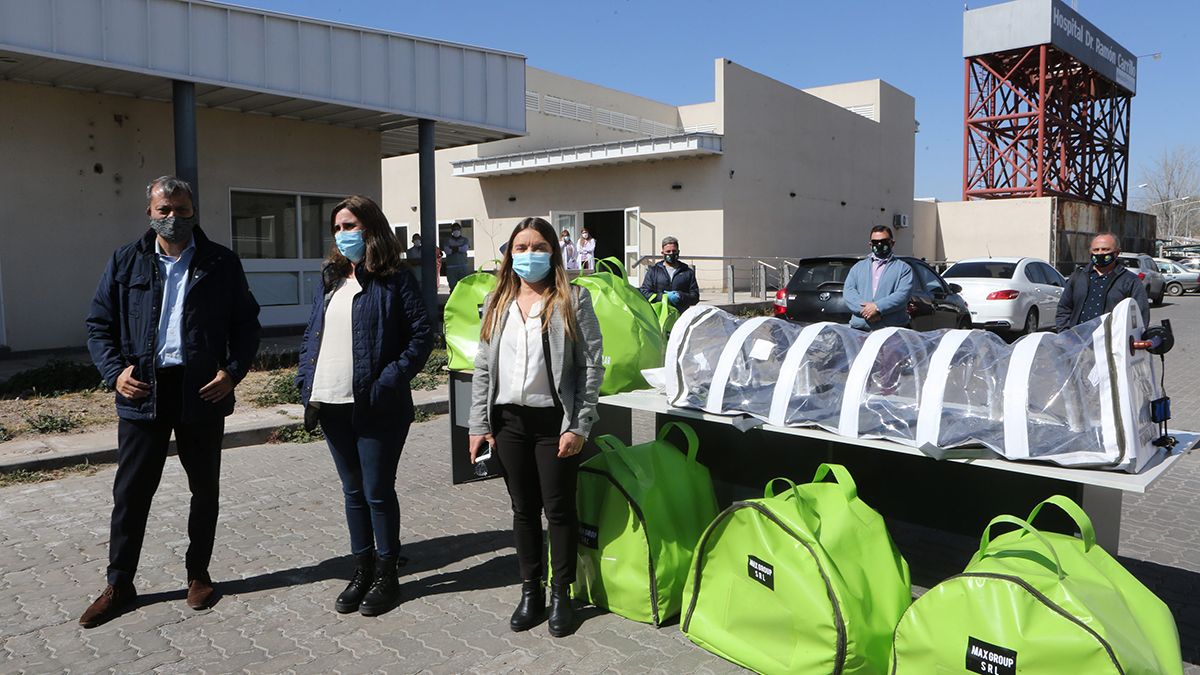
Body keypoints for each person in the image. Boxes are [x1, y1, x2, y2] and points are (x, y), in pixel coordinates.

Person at [81, 176, 261, 628]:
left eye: (181, 210)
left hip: (202, 391)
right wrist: (115, 372)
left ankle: (198, 575)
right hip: (144, 390)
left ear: (194, 211)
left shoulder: (221, 262)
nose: (173, 219)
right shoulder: (126, 261)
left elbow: (247, 325)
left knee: (204, 490)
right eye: (164, 210)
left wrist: (232, 372)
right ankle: (119, 582)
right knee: (131, 493)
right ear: (150, 213)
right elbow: (98, 324)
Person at [296, 195, 434, 617]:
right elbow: (313, 334)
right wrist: (305, 378)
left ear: (371, 228)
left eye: (350, 225)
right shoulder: (332, 278)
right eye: (337, 228)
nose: (343, 234)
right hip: (331, 402)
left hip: (377, 406)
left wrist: (387, 382)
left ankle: (387, 573)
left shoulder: (396, 279)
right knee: (352, 492)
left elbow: (421, 336)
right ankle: (362, 568)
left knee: (376, 492)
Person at [468, 217, 604, 637]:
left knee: (558, 509)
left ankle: (562, 591)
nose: (529, 255)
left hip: (554, 422)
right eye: (521, 247)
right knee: (523, 509)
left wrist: (578, 425)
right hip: (509, 422)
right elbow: (483, 368)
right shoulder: (497, 300)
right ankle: (531, 590)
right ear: (510, 254)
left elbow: (591, 367)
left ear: (554, 251)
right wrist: (478, 423)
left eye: (538, 246)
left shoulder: (572, 299)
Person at [1056, 232, 1150, 331]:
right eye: (1096, 250)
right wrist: (1065, 334)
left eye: (1105, 249)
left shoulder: (1130, 281)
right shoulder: (1078, 276)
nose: (1100, 253)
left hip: (1112, 343)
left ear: (1117, 252)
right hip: (1077, 341)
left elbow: (1140, 315)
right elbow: (1064, 308)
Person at [842, 225, 915, 331]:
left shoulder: (903, 268)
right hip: (860, 330)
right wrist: (867, 311)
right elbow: (849, 292)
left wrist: (877, 308)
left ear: (892, 243)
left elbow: (902, 295)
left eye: (884, 241)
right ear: (870, 244)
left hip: (890, 330)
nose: (879, 244)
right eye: (875, 242)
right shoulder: (858, 267)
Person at [639, 236, 700, 311]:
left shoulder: (687, 272)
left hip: (680, 315)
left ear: (678, 252)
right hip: (659, 315)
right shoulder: (654, 271)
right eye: (668, 251)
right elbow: (644, 293)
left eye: (674, 251)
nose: (671, 253)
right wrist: (664, 297)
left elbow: (695, 297)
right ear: (662, 253)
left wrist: (680, 296)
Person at [442, 224, 471, 292]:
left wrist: (453, 248)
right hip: (451, 268)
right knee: (453, 287)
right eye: (454, 229)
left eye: (457, 229)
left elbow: (464, 249)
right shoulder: (447, 240)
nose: (456, 231)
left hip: (463, 267)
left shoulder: (465, 240)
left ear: (460, 230)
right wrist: (459, 248)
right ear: (452, 230)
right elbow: (447, 251)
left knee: (464, 286)